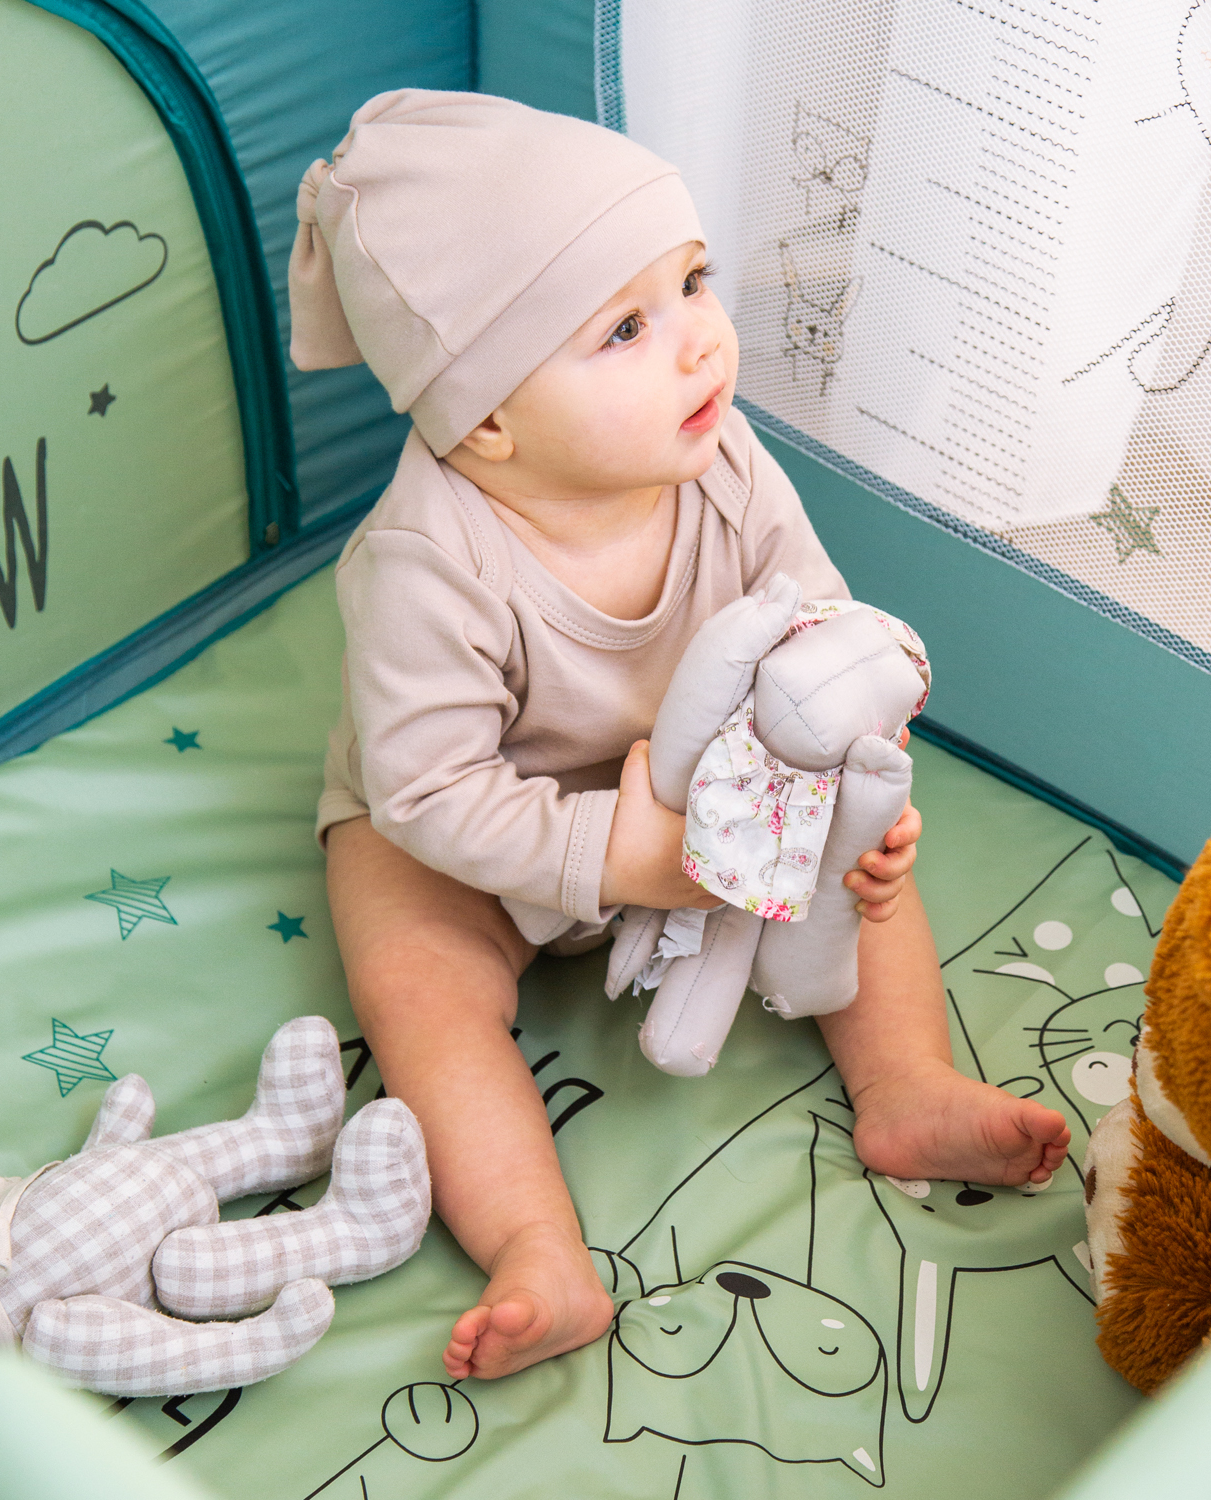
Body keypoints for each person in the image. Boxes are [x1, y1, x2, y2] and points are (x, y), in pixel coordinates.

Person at [289, 90, 1071, 1384]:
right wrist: (623, 855)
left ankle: (909, 1087)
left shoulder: (719, 455)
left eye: (695, 280)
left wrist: (865, 809)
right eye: (630, 327)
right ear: (487, 419)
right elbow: (424, 790)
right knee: (420, 984)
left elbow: (826, 639)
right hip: (466, 834)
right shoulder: (426, 563)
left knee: (863, 886)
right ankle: (540, 1247)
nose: (702, 344)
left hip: (709, 797)